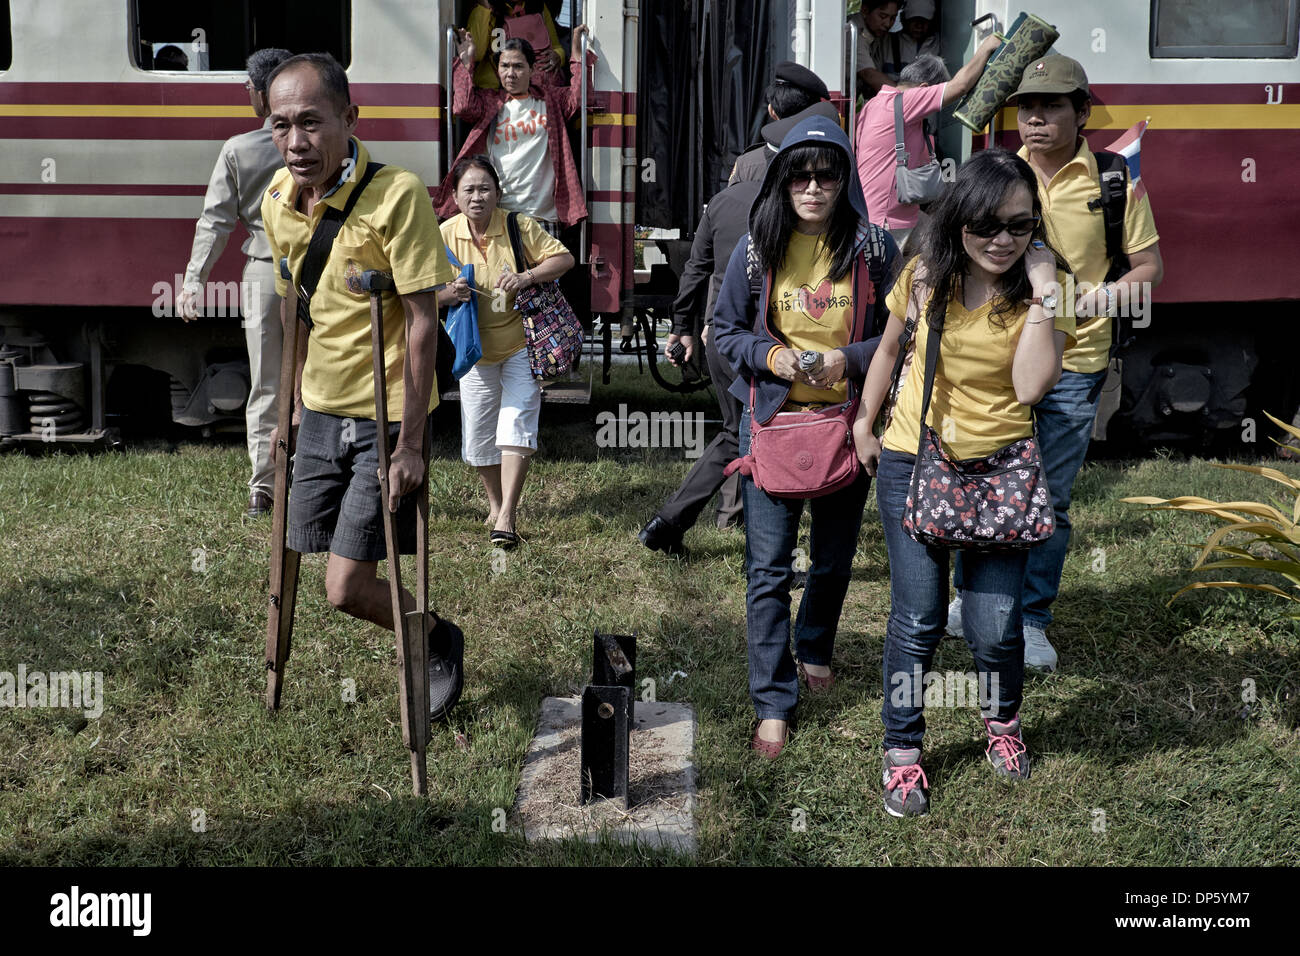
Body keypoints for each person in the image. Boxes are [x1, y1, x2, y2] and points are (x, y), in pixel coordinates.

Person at [852, 148, 1076, 816]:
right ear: (959, 222)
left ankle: (1001, 726)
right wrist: (865, 423)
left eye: (1019, 226)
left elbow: (1031, 386)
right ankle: (902, 754)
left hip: (1001, 473)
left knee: (997, 625)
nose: (1003, 240)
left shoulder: (1039, 289)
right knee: (917, 618)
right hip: (913, 462)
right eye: (987, 226)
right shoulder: (924, 275)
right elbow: (889, 348)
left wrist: (1044, 293)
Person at [260, 53, 465, 720]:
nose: (296, 143)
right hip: (317, 413)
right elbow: (298, 315)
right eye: (281, 125)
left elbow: (423, 319)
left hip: (383, 420)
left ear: (349, 118)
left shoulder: (396, 194)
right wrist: (284, 418)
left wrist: (411, 444)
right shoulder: (275, 204)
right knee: (293, 555)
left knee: (345, 588)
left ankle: (436, 637)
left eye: (312, 123)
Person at [948, 56, 1163, 672]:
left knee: (1048, 497)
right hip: (993, 360)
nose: (1036, 118)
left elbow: (1150, 270)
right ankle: (970, 597)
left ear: (1082, 113)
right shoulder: (994, 175)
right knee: (980, 480)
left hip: (1076, 363)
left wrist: (1102, 296)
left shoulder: (1114, 181)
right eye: (1026, 107)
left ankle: (1033, 618)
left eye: (1052, 106)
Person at [714, 116, 899, 758]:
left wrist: (846, 361)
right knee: (767, 569)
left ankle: (815, 643)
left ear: (845, 178)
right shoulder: (756, 250)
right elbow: (724, 331)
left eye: (826, 174)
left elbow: (898, 338)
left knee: (833, 557)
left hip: (848, 425)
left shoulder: (873, 250)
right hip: (772, 424)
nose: (813, 187)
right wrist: (771, 358)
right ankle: (773, 700)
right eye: (800, 174)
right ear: (781, 180)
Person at [179, 48, 294, 518]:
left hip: (265, 271)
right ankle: (314, 474)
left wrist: (193, 282)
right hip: (323, 270)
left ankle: (262, 487)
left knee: (266, 381)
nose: (246, 94)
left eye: (248, 86)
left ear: (262, 93)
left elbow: (215, 222)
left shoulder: (239, 148)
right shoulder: (330, 141)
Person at [438, 155, 574, 548]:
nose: (477, 197)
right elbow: (425, 288)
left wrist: (525, 276)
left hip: (520, 346)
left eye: (485, 189)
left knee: (516, 424)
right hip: (474, 352)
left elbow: (564, 258)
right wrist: (451, 293)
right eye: (469, 190)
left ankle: (507, 516)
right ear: (456, 197)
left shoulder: (518, 225)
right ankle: (495, 504)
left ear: (498, 193)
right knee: (479, 438)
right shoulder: (445, 234)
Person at [436, 28, 593, 236]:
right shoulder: (492, 101)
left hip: (542, 215)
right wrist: (467, 63)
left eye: (518, 66)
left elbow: (580, 98)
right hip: (499, 213)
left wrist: (577, 55)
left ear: (532, 69)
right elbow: (463, 107)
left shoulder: (550, 100)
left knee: (543, 269)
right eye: (505, 66)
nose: (510, 73)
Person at [854, 39, 1000, 247]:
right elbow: (959, 87)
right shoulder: (905, 102)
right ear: (922, 89)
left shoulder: (874, 104)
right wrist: (986, 48)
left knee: (940, 244)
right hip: (888, 220)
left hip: (892, 212)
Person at [729, 62, 837, 186]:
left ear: (772, 111)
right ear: (814, 110)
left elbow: (732, 201)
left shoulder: (747, 164)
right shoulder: (831, 159)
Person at [465, 0, 567, 90]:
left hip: (538, 90)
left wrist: (558, 56)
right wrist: (484, 8)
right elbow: (476, 54)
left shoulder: (539, 6)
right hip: (496, 92)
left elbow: (557, 48)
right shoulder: (483, 9)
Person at [848, 0, 902, 98]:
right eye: (883, 16)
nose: (887, 24)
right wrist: (905, 97)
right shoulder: (852, 30)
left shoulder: (876, 33)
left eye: (893, 18)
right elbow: (868, 74)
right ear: (865, 10)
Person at [897, 0, 942, 70]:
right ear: (904, 20)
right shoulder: (886, 44)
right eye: (914, 19)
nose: (919, 25)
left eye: (924, 20)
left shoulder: (940, 43)